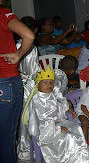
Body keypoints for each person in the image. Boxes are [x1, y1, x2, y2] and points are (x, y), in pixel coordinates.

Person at [0, 0, 35, 163]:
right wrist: (18, 54)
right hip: (5, 81)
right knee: (5, 137)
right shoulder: (2, 14)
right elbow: (28, 35)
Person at [23, 66, 89, 163]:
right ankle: (68, 160)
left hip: (56, 123)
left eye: (51, 82)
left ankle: (77, 158)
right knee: (68, 137)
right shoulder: (36, 100)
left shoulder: (51, 96)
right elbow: (40, 120)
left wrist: (67, 108)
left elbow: (58, 108)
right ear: (37, 85)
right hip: (45, 130)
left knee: (76, 130)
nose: (49, 85)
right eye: (45, 82)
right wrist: (57, 128)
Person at [15, 16, 40, 161]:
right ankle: (26, 148)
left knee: (22, 117)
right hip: (29, 85)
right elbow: (34, 70)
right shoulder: (30, 48)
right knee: (29, 117)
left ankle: (23, 145)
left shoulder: (17, 45)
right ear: (34, 30)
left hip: (19, 83)